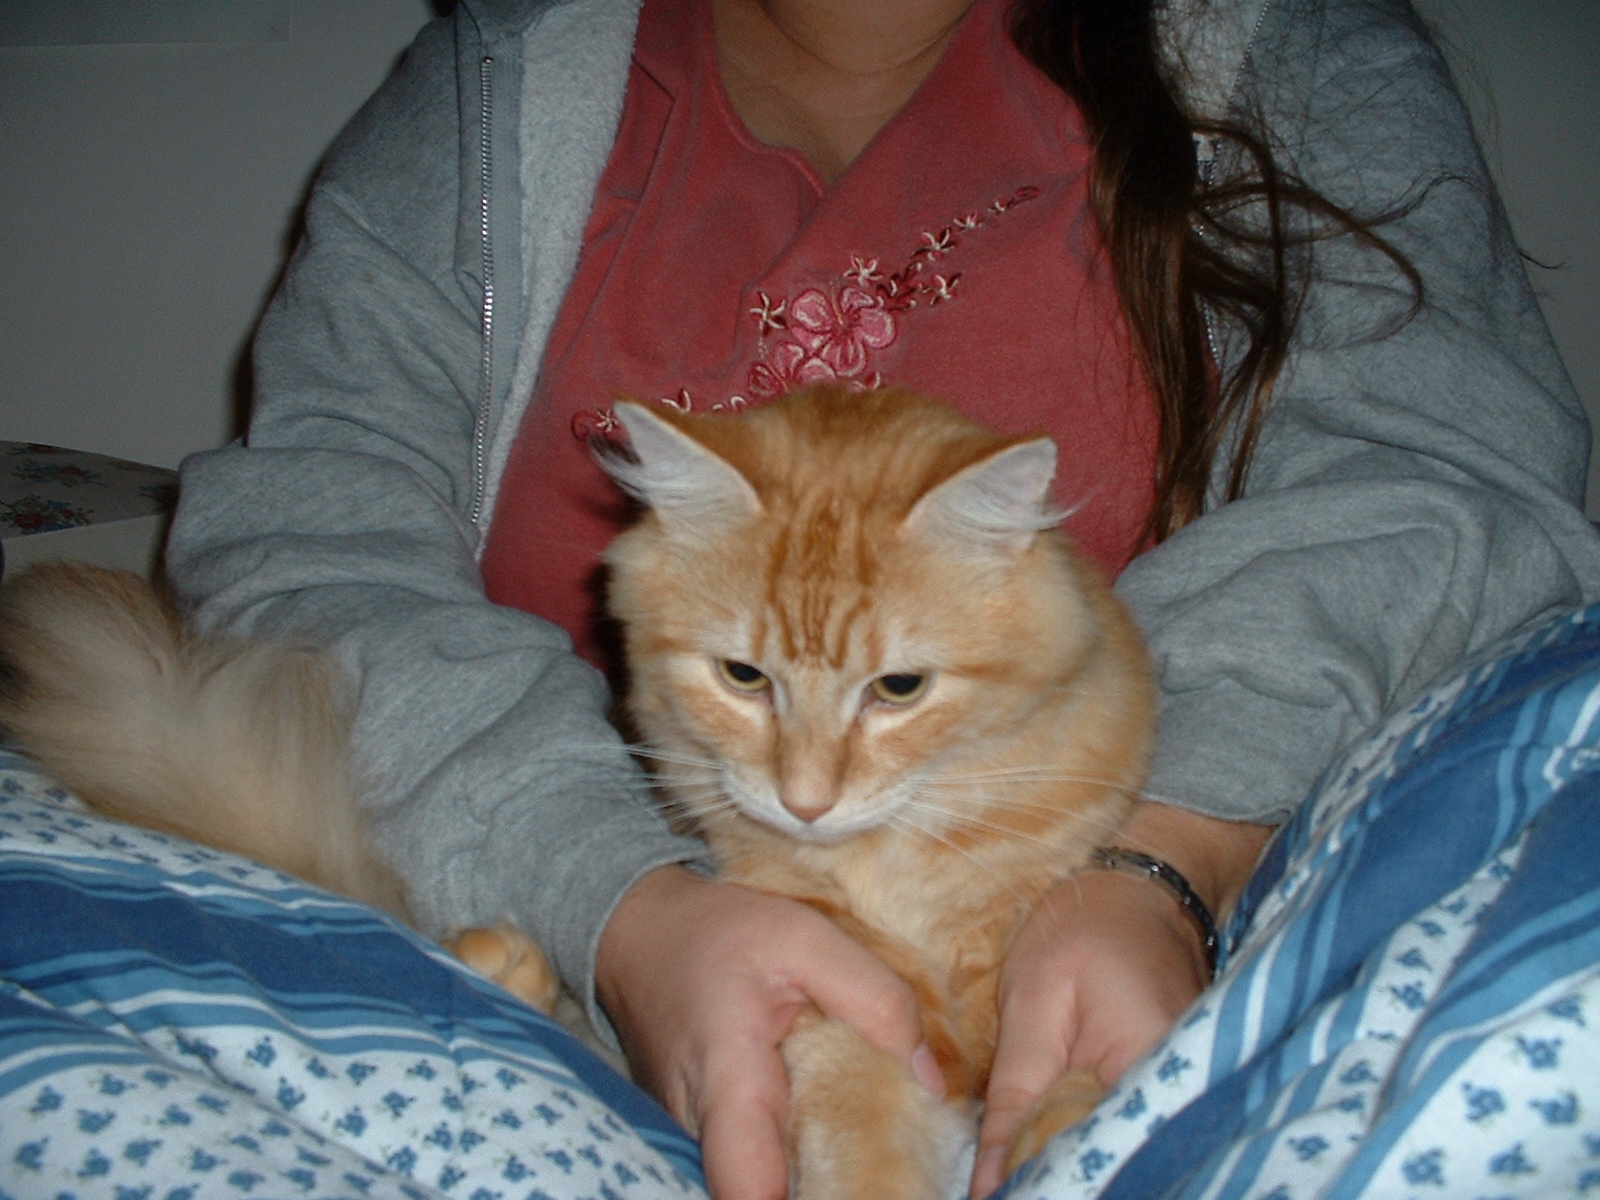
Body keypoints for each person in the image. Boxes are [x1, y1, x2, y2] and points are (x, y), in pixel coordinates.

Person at [163, 0, 1600, 1198]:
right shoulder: (497, 77)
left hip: (1149, 890)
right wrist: (617, 904)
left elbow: (1454, 477)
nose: (806, 791)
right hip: (555, 860)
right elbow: (307, 531)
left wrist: (1166, 855)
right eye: (750, 682)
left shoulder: (1292, 44)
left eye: (894, 686)